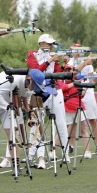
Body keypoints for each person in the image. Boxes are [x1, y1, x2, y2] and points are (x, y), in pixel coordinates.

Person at [26, 34, 70, 163]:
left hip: (53, 91)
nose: (51, 46)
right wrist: (50, 60)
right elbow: (36, 72)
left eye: (51, 44)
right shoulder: (31, 54)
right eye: (48, 43)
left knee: (61, 123)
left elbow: (56, 74)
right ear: (41, 43)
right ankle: (31, 155)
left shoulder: (53, 57)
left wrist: (63, 65)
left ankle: (66, 153)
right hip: (37, 92)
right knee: (35, 124)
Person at [59, 65, 92, 158]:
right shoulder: (62, 80)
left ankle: (87, 151)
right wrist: (74, 83)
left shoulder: (77, 80)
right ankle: (53, 151)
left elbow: (81, 95)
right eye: (67, 70)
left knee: (83, 130)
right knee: (62, 130)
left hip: (78, 106)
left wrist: (84, 88)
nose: (69, 71)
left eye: (70, 70)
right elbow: (62, 88)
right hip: (66, 108)